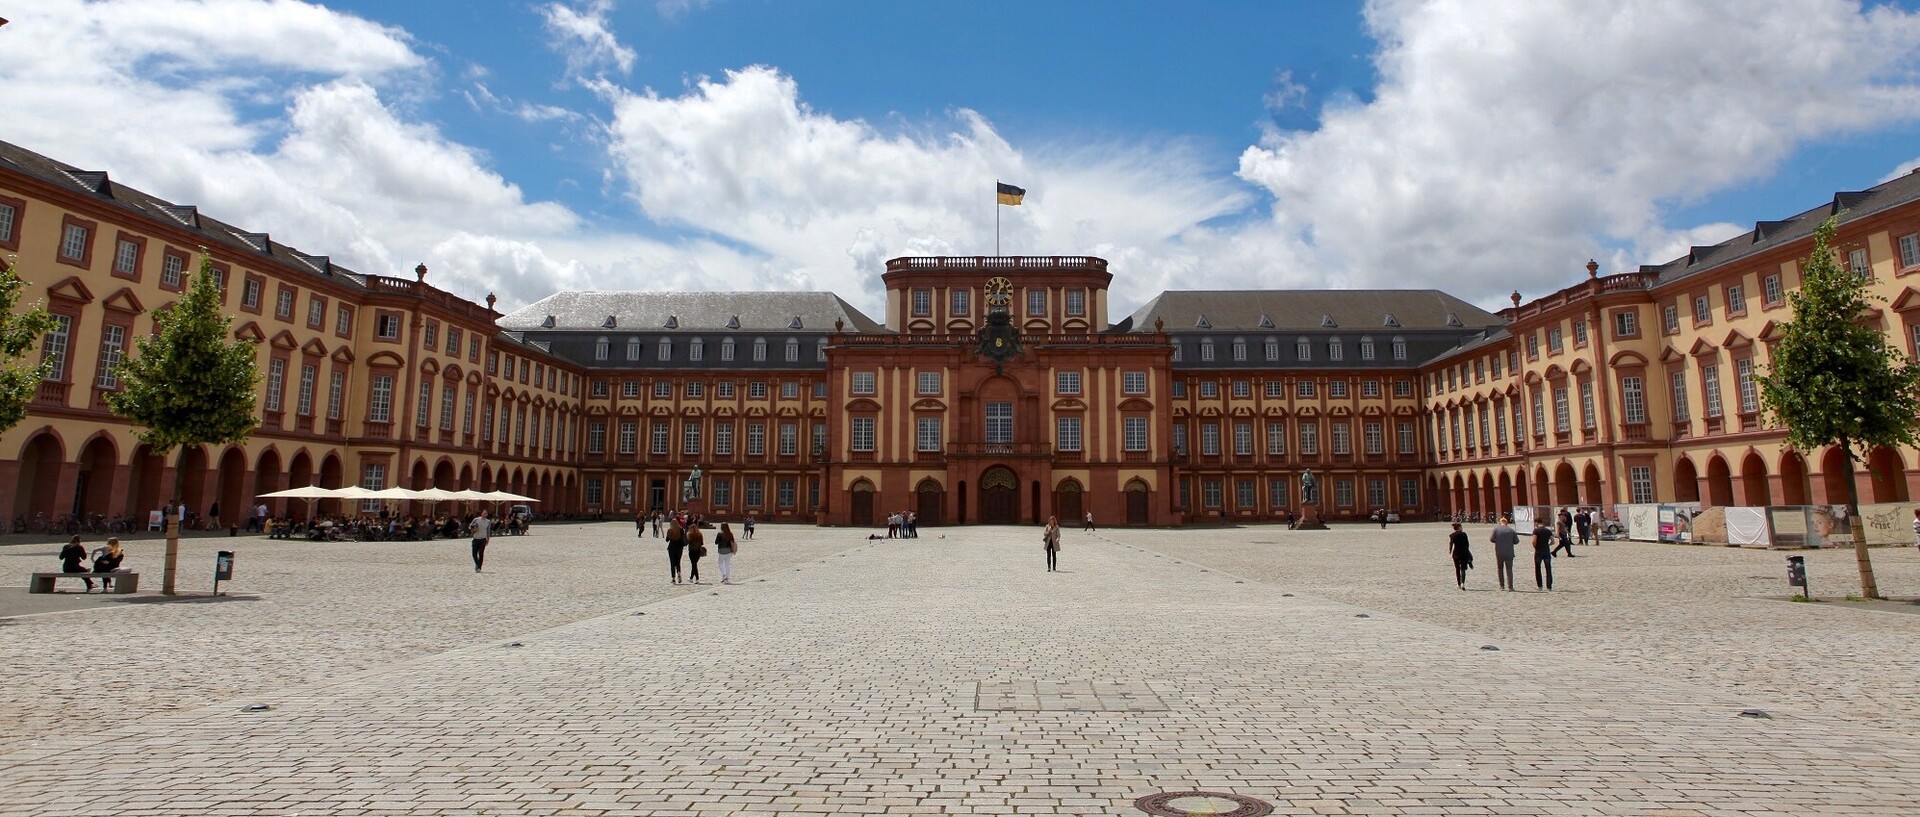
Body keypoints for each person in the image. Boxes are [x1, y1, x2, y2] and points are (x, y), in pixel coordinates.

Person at [1489, 516, 1519, 591]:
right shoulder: (1511, 530)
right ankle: (1510, 586)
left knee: (1500, 569)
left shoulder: (1496, 530)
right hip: (1509, 552)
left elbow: (1491, 539)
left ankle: (1501, 586)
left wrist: (1497, 541)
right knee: (1509, 569)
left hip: (1499, 552)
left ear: (1500, 522)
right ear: (1506, 523)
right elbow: (1516, 541)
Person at [1532, 516, 1555, 591]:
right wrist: (1548, 545)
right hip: (1546, 551)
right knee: (1548, 568)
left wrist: (1536, 547)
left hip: (1539, 551)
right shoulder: (1548, 530)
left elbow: (1534, 541)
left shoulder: (1536, 531)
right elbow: (1553, 541)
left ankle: (1540, 586)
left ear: (1536, 522)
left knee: (1538, 568)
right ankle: (1549, 586)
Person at [1448, 522, 1473, 590]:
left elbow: (1451, 544)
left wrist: (1450, 551)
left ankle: (1458, 583)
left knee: (1457, 569)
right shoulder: (1464, 534)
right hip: (1464, 553)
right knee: (1463, 569)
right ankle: (1463, 583)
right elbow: (1467, 545)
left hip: (1456, 554)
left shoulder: (1452, 535)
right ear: (1459, 527)